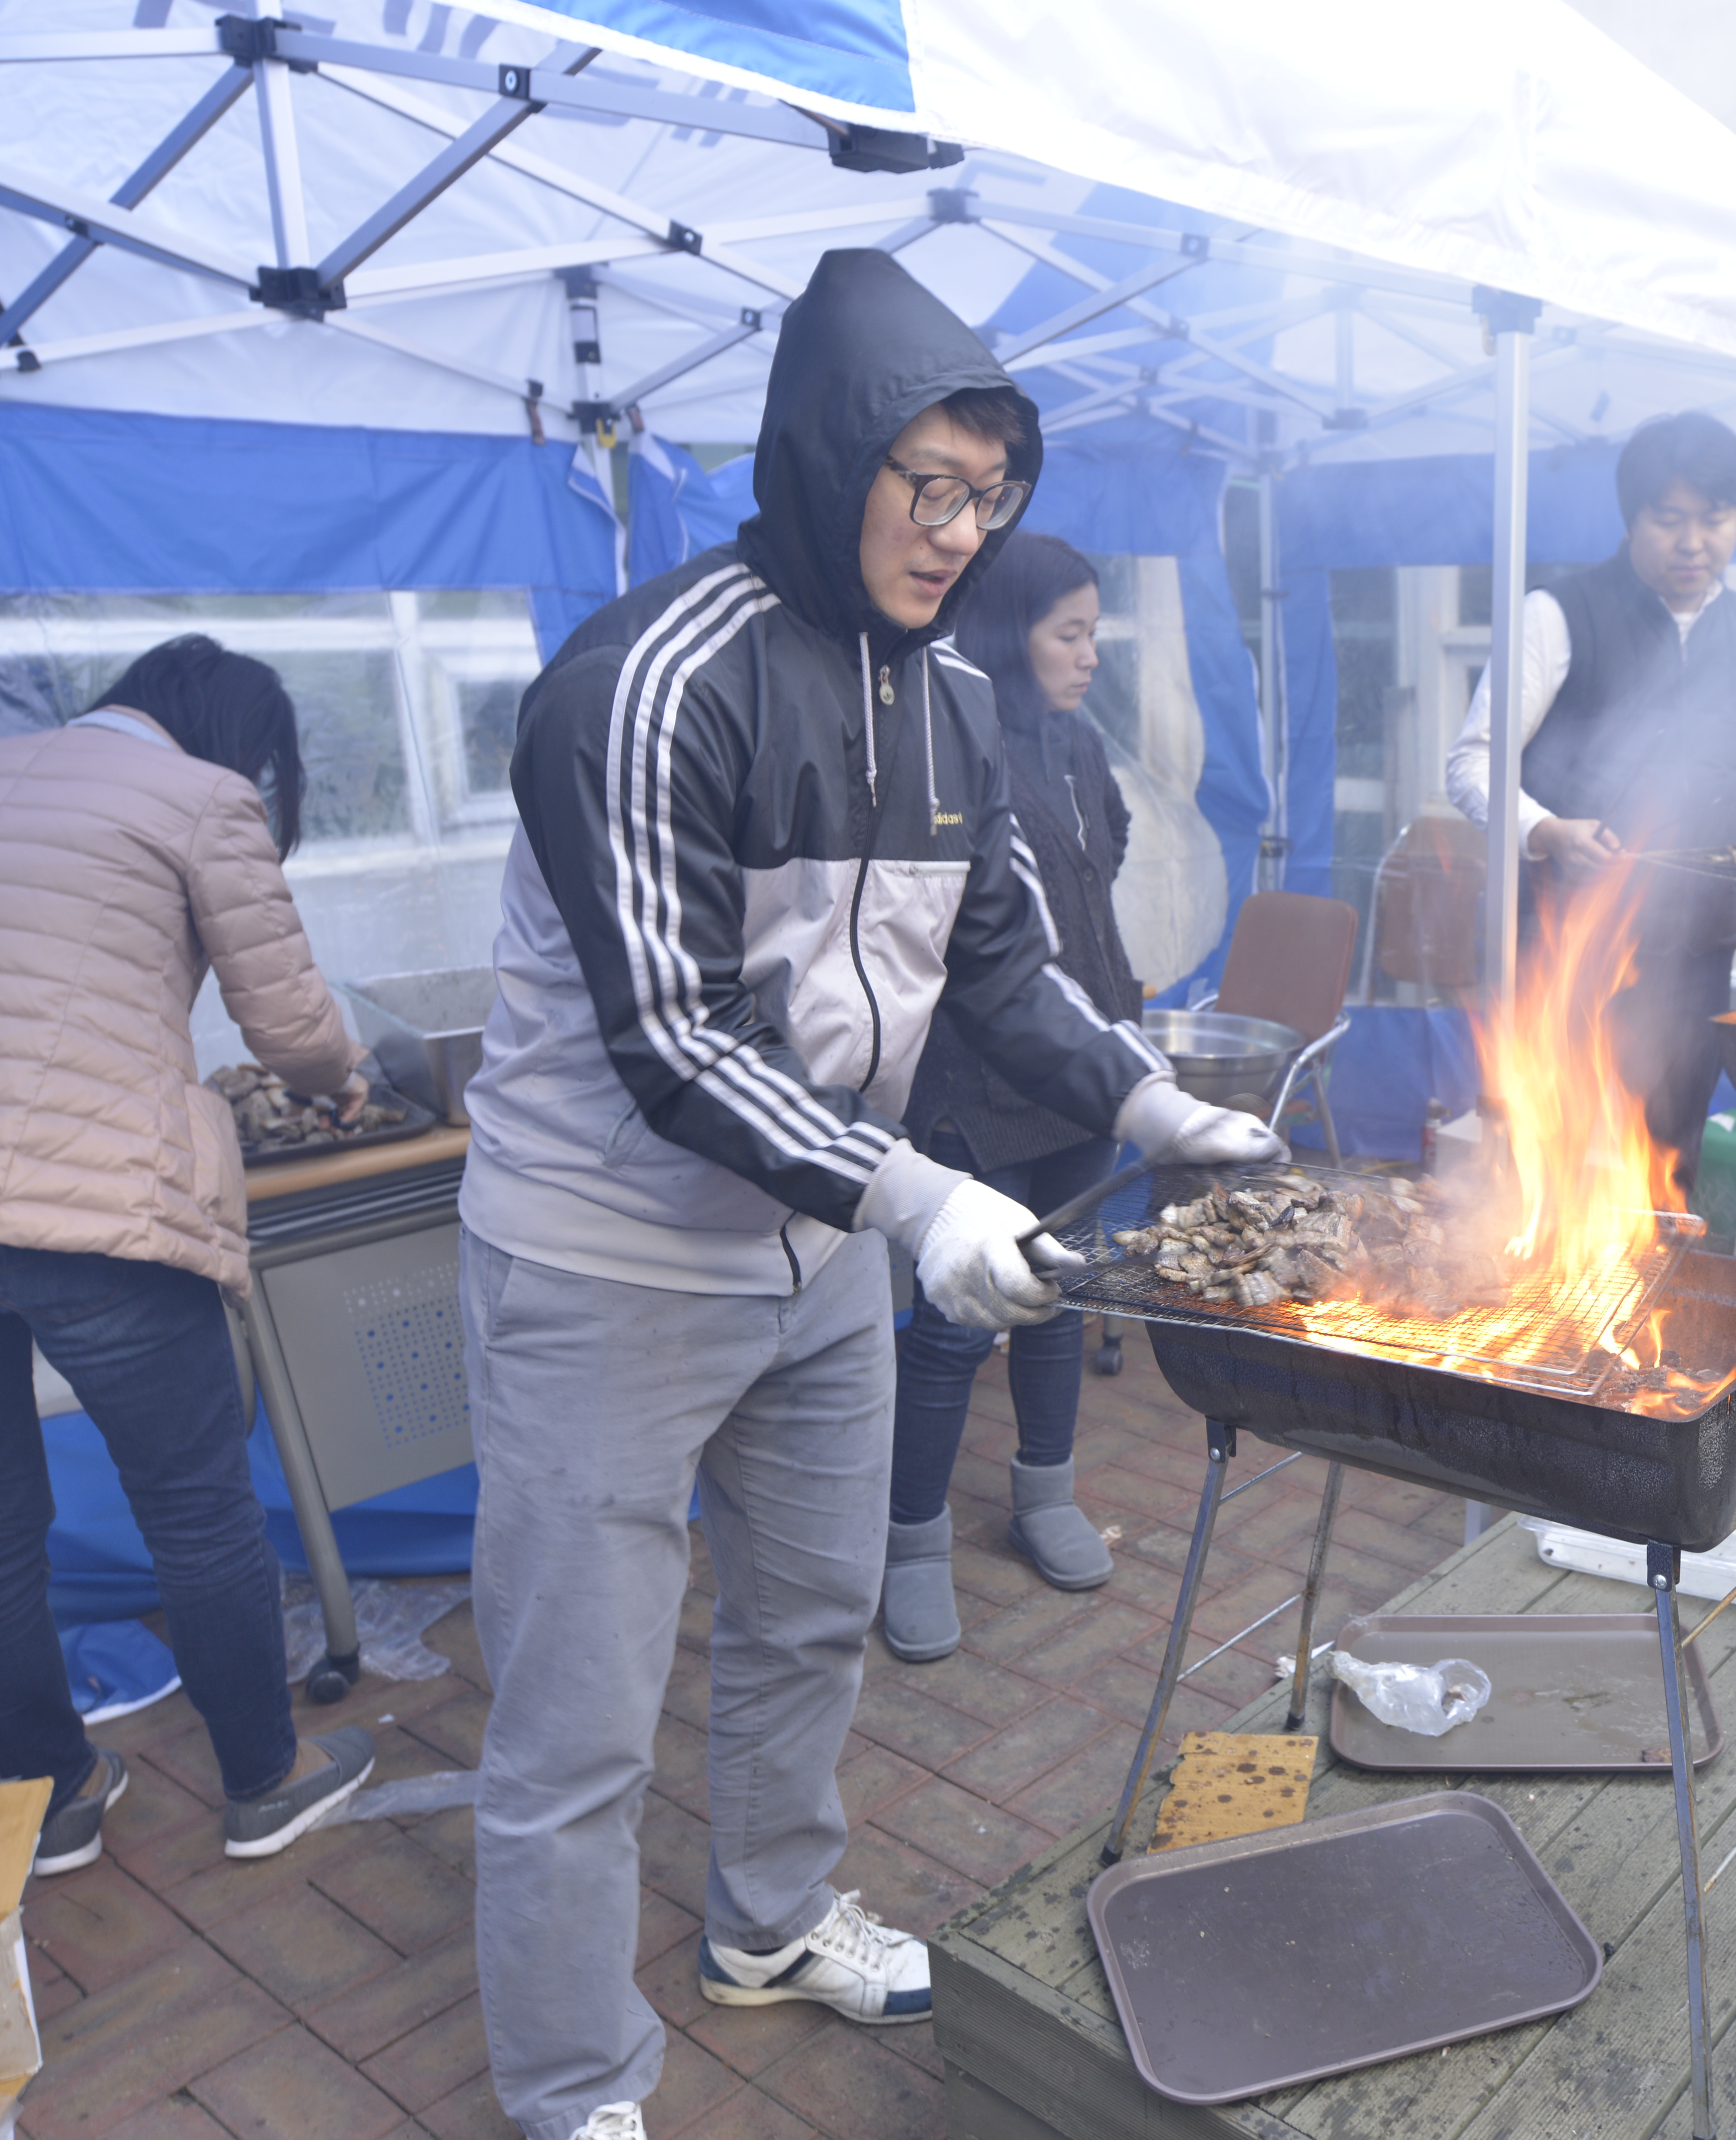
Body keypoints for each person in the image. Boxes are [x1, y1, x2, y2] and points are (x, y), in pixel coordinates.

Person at [455, 249, 1281, 2140]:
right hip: (601, 1260)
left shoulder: (955, 704)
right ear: (828, 460)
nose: (955, 530)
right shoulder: (645, 688)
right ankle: (575, 2084)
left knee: (812, 1615)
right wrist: (922, 1200)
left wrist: (1155, 1107)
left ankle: (762, 1924)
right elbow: (675, 1037)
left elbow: (998, 958)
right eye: (924, 482)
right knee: (578, 1717)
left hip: (822, 1246)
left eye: (987, 496)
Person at [0, 635, 380, 1877]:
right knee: (196, 1504)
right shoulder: (205, 798)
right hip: (85, 1197)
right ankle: (267, 1779)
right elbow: (289, 1022)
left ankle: (48, 1800)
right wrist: (341, 1082)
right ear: (238, 743)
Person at [1444, 411, 1736, 1195]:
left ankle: (1652, 1301)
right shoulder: (1557, 616)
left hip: (1697, 939)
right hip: (1566, 933)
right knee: (1549, 1141)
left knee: (1668, 1145)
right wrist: (1548, 830)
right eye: (1670, 519)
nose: (1694, 541)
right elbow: (1473, 762)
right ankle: (1532, 1294)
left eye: (1715, 519)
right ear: (1634, 520)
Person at [882, 531, 1140, 1663]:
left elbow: (1108, 855)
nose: (1089, 657)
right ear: (1005, 633)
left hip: (1080, 1074)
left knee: (1061, 1292)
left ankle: (1046, 1497)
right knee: (951, 1329)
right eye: (1068, 635)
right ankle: (910, 1543)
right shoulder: (939, 748)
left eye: (1095, 634)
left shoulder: (1079, 747)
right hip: (976, 1086)